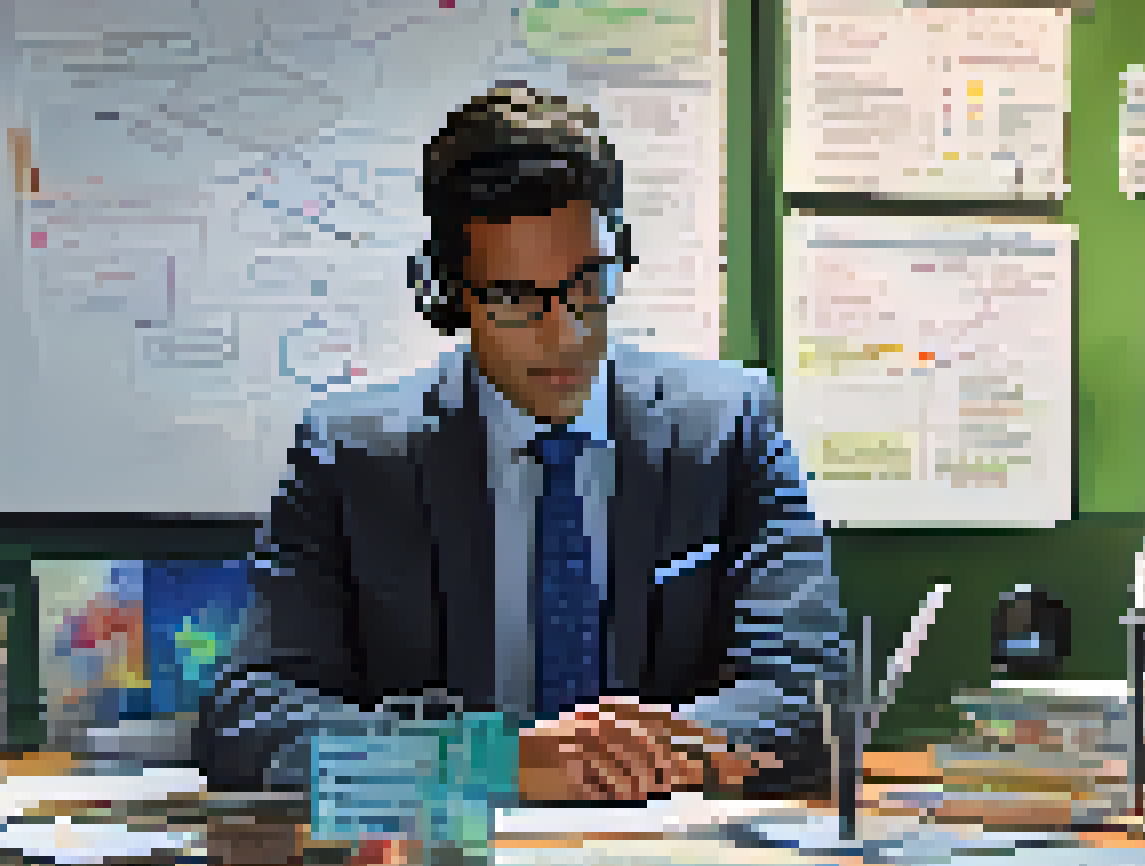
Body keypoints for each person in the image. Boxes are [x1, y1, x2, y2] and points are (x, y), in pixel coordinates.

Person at [198, 85, 850, 805]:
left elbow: (813, 697)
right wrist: (496, 762)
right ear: (450, 293)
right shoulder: (351, 457)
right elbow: (250, 722)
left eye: (588, 284)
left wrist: (619, 758)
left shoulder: (730, 430)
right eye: (515, 298)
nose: (565, 334)